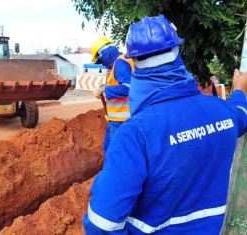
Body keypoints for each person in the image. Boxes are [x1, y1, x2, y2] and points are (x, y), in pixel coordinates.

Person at [83, 15, 247, 234]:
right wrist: (239, 91)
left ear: (135, 62)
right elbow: (241, 115)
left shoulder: (135, 135)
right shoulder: (222, 111)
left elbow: (101, 225)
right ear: (177, 52)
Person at [91, 37, 134, 153]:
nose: (103, 64)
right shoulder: (121, 62)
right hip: (117, 119)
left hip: (122, 121)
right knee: (109, 151)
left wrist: (105, 89)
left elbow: (128, 88)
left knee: (116, 154)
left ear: (104, 54)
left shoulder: (120, 63)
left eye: (100, 60)